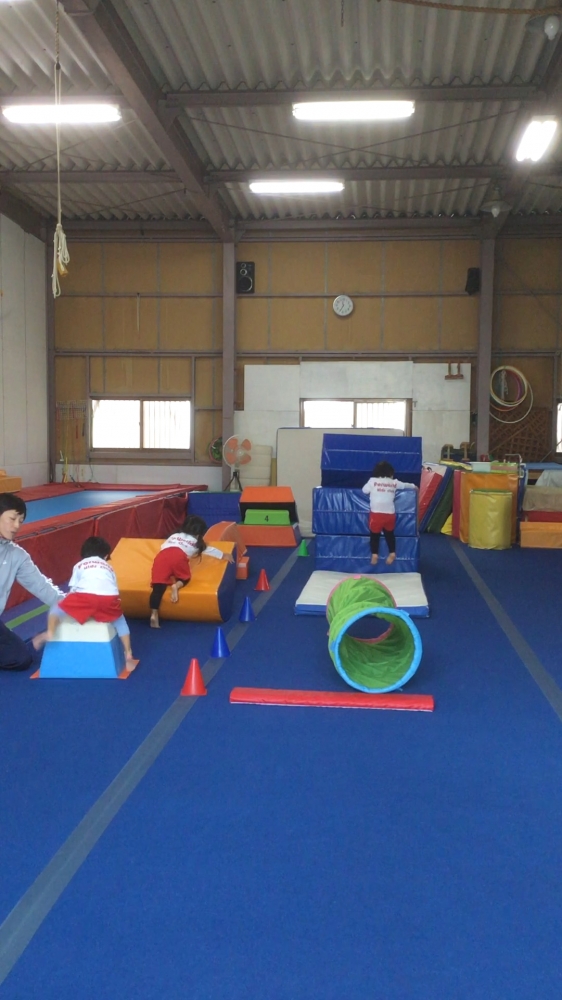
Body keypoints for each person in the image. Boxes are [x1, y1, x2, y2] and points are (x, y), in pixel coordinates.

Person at [33, 536, 137, 672]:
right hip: (109, 598)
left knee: (57, 608)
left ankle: (50, 632)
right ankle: (128, 653)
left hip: (85, 597)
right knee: (120, 620)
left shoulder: (79, 565)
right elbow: (114, 590)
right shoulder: (109, 567)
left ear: (83, 553)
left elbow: (73, 590)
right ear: (106, 556)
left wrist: (71, 608)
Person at [0, 492, 65, 671]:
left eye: (20, 521)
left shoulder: (16, 555)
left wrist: (72, 605)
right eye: (12, 519)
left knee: (21, 658)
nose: (16, 526)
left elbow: (41, 586)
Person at [149, 514, 234, 628]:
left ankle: (154, 614)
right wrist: (223, 555)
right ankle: (176, 586)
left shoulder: (174, 536)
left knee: (157, 586)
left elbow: (163, 547)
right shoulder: (195, 542)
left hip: (162, 556)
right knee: (184, 577)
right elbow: (209, 550)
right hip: (178, 556)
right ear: (199, 534)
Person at [362, 461, 417, 567]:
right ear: (390, 473)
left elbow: (364, 490)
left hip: (376, 514)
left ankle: (374, 554)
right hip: (390, 514)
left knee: (374, 535)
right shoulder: (394, 482)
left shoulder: (372, 481)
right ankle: (392, 552)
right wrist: (414, 486)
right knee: (390, 534)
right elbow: (405, 485)